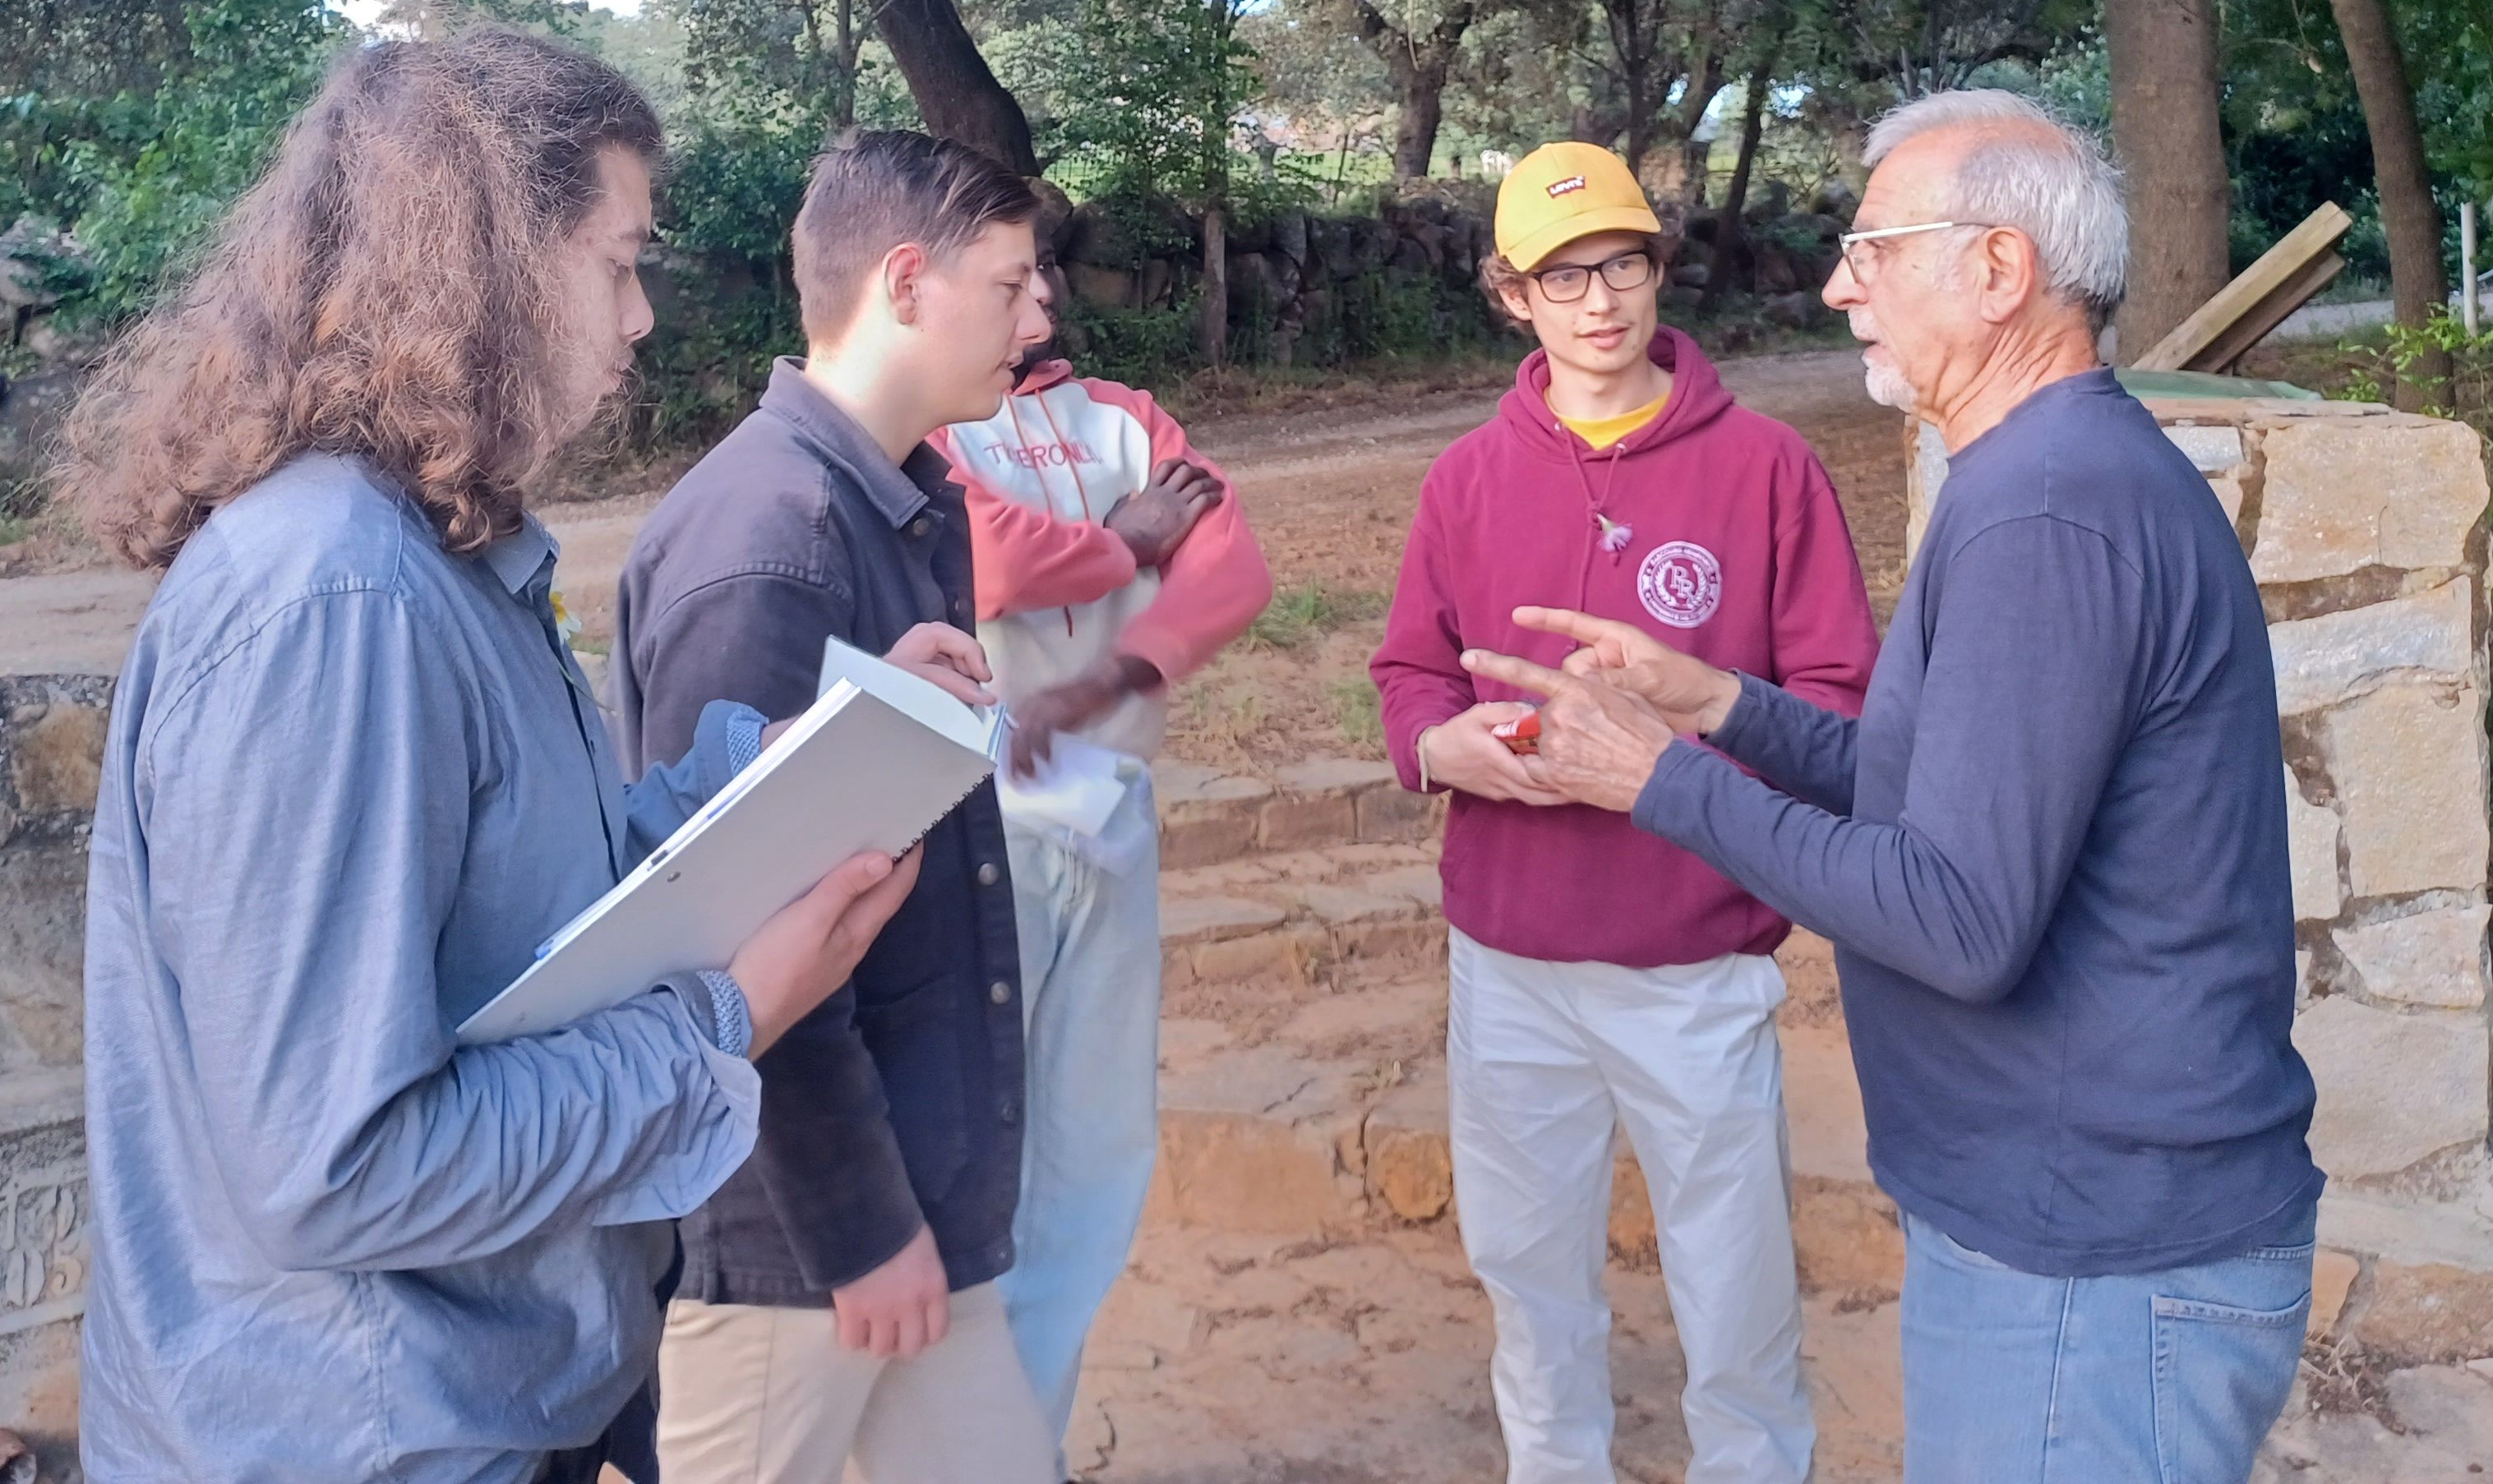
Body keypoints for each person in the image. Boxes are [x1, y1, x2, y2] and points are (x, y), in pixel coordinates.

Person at [66, 32, 985, 1484]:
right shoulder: (336, 600)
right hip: (363, 1442)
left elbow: (543, 908)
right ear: (482, 266)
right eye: (618, 264)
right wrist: (723, 1019)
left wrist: (806, 759)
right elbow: (343, 1164)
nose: (641, 320)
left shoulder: (435, 555)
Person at [1475, 91, 2323, 1484]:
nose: (1835, 285)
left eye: (1872, 249)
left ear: (1997, 271)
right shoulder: (2048, 477)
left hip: (2090, 1265)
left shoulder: (2049, 513)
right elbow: (1948, 790)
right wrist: (1723, 705)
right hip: (2071, 1234)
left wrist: (1659, 781)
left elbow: (1956, 917)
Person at [1370, 141, 1877, 1484]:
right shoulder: (1467, 482)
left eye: (1623, 265)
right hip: (1511, 963)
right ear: (1510, 294)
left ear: (1660, 269)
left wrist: (1695, 756)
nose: (1599, 301)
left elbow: (1836, 700)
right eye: (1562, 276)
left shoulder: (1768, 469)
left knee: (1737, 1294)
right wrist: (1444, 747)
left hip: (1693, 964)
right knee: (1532, 1284)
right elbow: (1410, 672)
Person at [615, 129, 1065, 1484]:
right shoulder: (768, 545)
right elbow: (745, 928)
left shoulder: (897, 504)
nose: (1042, 321)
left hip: (907, 1203)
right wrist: (860, 1224)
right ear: (909, 283)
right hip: (794, 1253)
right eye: (1015, 285)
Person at [934, 218, 1274, 1450]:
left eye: (1042, 281)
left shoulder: (1127, 417)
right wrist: (1119, 546)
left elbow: (1230, 569)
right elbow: (974, 555)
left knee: (1094, 1146)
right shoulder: (926, 420)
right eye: (1011, 285)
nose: (1038, 311)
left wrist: (1111, 671)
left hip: (1111, 818)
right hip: (971, 828)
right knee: (982, 1153)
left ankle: (1034, 1440)